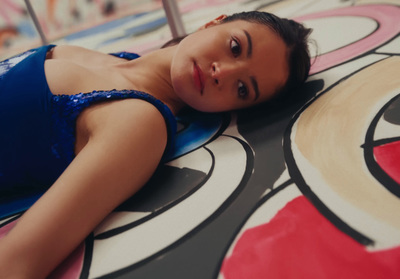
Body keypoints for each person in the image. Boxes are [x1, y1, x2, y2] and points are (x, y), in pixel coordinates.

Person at [0, 11, 312, 278]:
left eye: (242, 89)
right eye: (235, 47)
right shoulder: (116, 59)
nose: (223, 73)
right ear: (213, 23)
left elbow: (17, 262)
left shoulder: (139, 123)